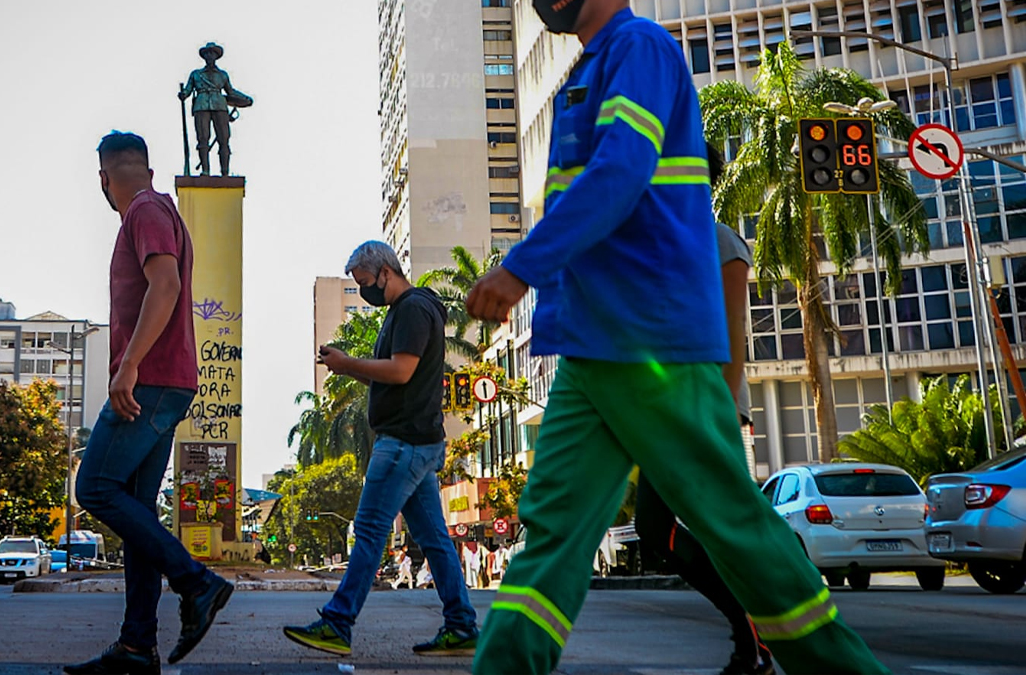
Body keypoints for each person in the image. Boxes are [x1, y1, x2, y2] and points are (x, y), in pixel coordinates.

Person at [463, 2, 889, 674]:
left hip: (647, 337)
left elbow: (621, 172)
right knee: (552, 538)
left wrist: (520, 268)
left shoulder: (640, 49)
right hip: (594, 341)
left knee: (733, 527)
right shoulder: (596, 64)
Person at [66, 132, 233, 675]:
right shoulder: (157, 209)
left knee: (93, 487)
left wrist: (130, 364)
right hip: (167, 382)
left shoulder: (145, 211)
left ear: (103, 178)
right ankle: (137, 645)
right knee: (135, 510)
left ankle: (197, 583)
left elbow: (165, 284)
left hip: (152, 382)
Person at [283, 241, 479, 657]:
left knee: (370, 530)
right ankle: (461, 625)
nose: (365, 291)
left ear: (386, 272)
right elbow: (395, 379)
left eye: (366, 283)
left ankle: (338, 622)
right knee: (435, 540)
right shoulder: (411, 310)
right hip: (418, 443)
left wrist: (347, 363)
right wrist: (350, 367)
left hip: (404, 443)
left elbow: (401, 370)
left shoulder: (411, 309)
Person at [630, 143, 772, 675]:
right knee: (653, 528)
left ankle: (757, 639)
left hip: (707, 415)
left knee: (723, 533)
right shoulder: (668, 248)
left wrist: (713, 416)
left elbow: (734, 344)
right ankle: (751, 635)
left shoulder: (720, 243)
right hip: (665, 417)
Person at [179, 42, 241, 176]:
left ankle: (225, 172)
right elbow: (188, 89)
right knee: (203, 139)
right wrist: (183, 94)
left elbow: (231, 92)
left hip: (219, 105)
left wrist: (245, 98)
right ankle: (205, 170)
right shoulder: (196, 74)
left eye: (212, 53)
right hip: (201, 105)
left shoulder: (223, 75)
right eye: (207, 53)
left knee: (224, 139)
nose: (209, 56)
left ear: (216, 56)